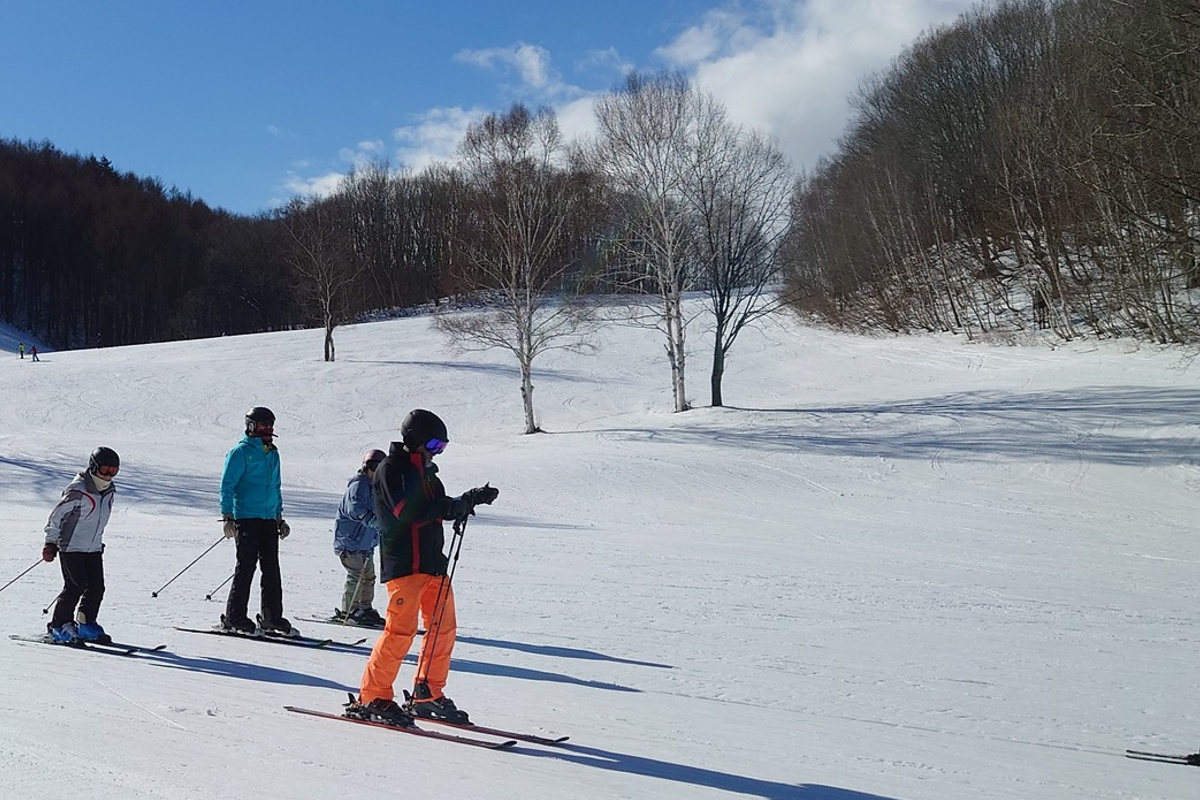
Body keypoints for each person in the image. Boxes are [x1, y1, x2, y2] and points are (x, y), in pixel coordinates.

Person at [351, 409, 499, 727]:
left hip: (433, 563)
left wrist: (467, 501)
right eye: (433, 444)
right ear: (414, 440)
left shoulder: (430, 476)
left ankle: (427, 693)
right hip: (405, 563)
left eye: (441, 447)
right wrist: (451, 506)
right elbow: (407, 510)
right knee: (400, 632)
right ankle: (373, 695)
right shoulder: (391, 470)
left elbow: (437, 510)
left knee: (443, 629)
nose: (436, 452)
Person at [220, 406, 294, 635]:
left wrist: (279, 517)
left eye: (271, 425)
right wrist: (228, 516)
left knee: (271, 569)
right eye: (264, 425)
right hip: (246, 517)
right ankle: (235, 616)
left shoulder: (273, 453)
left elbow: (276, 487)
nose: (268, 429)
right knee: (246, 568)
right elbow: (227, 486)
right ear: (251, 426)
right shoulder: (240, 452)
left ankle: (271, 617)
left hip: (268, 519)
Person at [42, 447, 120, 643]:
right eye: (105, 470)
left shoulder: (109, 490)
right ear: (93, 467)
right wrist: (50, 542)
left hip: (93, 547)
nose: (109, 475)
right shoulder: (78, 490)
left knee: (96, 587)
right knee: (75, 586)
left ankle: (86, 623)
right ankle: (59, 626)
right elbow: (56, 518)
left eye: (113, 471)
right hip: (71, 547)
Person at [332, 449, 386, 626]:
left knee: (368, 576)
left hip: (365, 542)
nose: (375, 471)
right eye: (373, 467)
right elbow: (355, 508)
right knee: (356, 575)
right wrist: (370, 521)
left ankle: (364, 607)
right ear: (366, 467)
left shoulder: (375, 487)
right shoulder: (358, 485)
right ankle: (349, 610)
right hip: (351, 542)